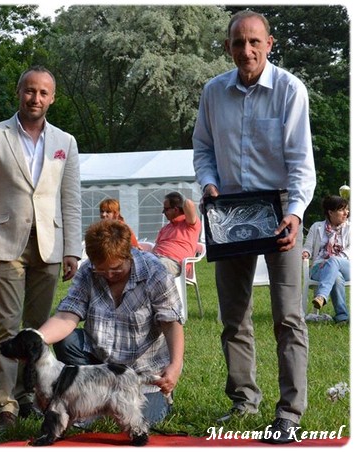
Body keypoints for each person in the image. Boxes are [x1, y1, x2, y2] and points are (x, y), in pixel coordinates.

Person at [192, 10, 316, 444]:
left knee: (288, 315)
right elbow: (203, 148)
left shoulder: (290, 90)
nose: (246, 50)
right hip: (227, 210)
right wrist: (208, 184)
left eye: (254, 42)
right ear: (228, 46)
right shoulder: (213, 92)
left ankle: (289, 413)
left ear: (269, 44)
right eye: (238, 42)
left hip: (280, 208)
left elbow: (301, 161)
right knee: (234, 316)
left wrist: (295, 213)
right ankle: (244, 400)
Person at [0, 65, 82, 429]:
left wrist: (72, 249)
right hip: (6, 242)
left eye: (43, 93)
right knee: (6, 326)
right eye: (30, 91)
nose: (36, 98)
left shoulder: (65, 142)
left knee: (36, 329)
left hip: (50, 245)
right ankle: (6, 404)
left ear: (53, 98)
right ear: (18, 92)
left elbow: (71, 199)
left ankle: (27, 396)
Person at [38, 219, 184, 426]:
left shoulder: (155, 272)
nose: (108, 275)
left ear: (128, 255)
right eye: (101, 270)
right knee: (67, 340)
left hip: (140, 374)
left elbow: (171, 323)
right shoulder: (87, 271)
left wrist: (175, 365)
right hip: (99, 367)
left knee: (141, 421)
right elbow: (66, 316)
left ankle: (96, 406)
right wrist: (37, 339)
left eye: (116, 269)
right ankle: (89, 397)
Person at [302, 195, 350, 324]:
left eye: (347, 209)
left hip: (346, 266)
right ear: (330, 212)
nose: (346, 212)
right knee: (336, 277)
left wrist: (333, 259)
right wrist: (305, 253)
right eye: (342, 210)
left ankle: (321, 296)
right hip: (319, 267)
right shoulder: (316, 226)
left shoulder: (351, 228)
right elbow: (307, 247)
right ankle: (342, 317)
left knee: (333, 261)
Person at [151, 192, 201, 277]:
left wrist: (180, 203)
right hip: (156, 259)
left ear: (176, 209)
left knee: (155, 267)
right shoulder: (165, 228)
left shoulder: (190, 224)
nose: (163, 212)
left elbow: (188, 203)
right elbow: (155, 247)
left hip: (174, 263)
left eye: (166, 209)